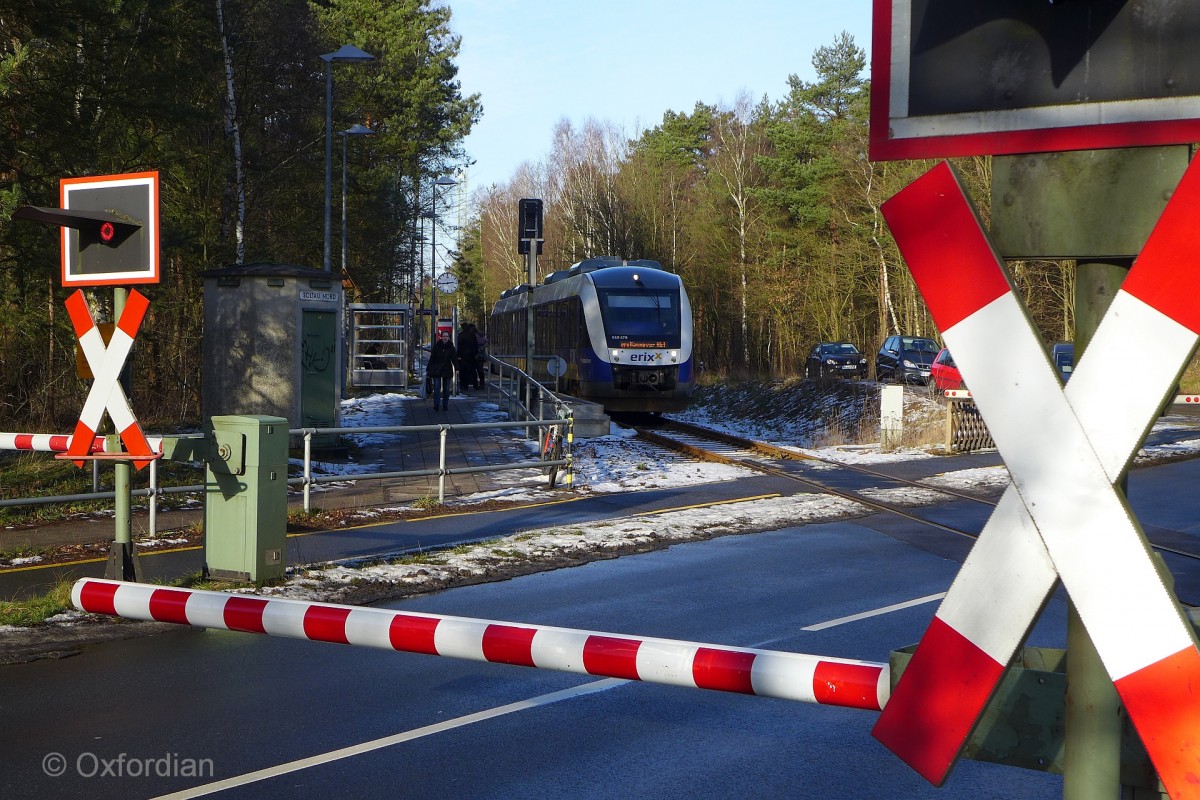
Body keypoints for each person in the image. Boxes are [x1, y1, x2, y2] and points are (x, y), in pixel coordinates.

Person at [426, 330, 456, 411]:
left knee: (446, 389)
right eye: (444, 336)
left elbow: (454, 359)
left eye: (447, 336)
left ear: (449, 337)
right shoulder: (437, 346)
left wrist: (457, 368)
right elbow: (432, 358)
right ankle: (436, 404)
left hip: (447, 369)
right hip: (437, 369)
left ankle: (445, 405)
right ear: (441, 337)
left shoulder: (451, 347)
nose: (445, 338)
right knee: (436, 387)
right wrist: (428, 368)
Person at [456, 323, 479, 391]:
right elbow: (475, 345)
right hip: (471, 356)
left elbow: (459, 346)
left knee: (463, 372)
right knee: (473, 371)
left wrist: (458, 355)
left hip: (463, 356)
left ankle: (464, 386)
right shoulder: (472, 335)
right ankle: (475, 385)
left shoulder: (460, 335)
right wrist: (475, 353)